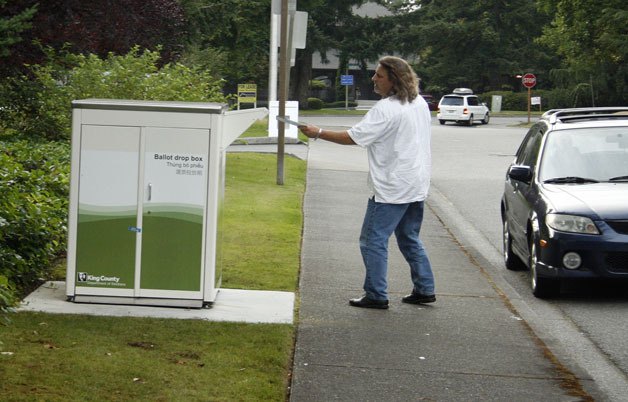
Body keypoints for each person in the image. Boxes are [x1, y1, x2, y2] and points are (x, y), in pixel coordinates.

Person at [299, 56, 435, 309]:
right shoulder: (418, 103)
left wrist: (318, 132)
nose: (374, 79)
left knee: (373, 239)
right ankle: (425, 288)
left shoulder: (386, 109)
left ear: (394, 79)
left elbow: (354, 137)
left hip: (391, 187)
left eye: (379, 75)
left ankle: (376, 294)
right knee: (408, 237)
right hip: (416, 182)